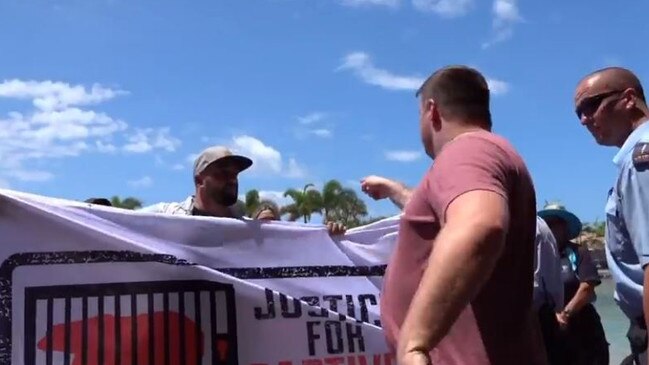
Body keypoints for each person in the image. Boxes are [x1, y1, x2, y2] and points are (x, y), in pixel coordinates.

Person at [380, 65, 545, 365]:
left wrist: (415, 343)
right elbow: (449, 218)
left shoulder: (466, 150)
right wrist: (399, 193)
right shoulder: (490, 152)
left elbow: (480, 225)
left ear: (432, 111)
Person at [362, 175, 564, 363]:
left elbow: (434, 213)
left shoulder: (465, 221)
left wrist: (392, 189)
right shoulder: (539, 229)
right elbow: (555, 293)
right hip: (525, 335)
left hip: (489, 338)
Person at [574, 67, 649, 365]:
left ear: (629, 98)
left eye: (591, 105)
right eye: (578, 112)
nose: (584, 119)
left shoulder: (639, 162)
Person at [141, 145, 346, 234]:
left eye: (235, 174)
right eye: (222, 173)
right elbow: (112, 222)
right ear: (199, 180)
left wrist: (327, 238)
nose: (232, 179)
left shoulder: (249, 231)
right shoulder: (166, 216)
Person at [538, 203, 608, 365]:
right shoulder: (538, 256)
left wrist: (565, 314)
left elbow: (587, 286)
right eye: (548, 223)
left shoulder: (578, 252)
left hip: (584, 330)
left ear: (565, 228)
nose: (552, 228)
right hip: (549, 331)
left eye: (557, 223)